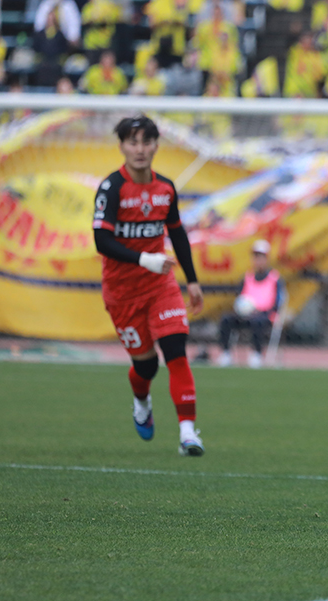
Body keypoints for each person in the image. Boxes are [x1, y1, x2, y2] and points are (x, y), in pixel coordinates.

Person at [92, 116, 205, 456]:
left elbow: (177, 233)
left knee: (176, 351)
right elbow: (101, 241)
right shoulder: (112, 188)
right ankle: (141, 402)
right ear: (122, 146)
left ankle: (188, 433)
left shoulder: (165, 188)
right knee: (146, 366)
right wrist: (144, 259)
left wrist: (193, 280)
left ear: (156, 146)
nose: (140, 149)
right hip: (122, 293)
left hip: (160, 286)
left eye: (146, 142)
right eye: (133, 142)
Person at [216, 239, 285, 369]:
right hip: (246, 315)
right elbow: (239, 298)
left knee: (258, 322)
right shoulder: (247, 277)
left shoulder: (275, 279)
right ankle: (226, 354)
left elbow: (278, 303)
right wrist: (243, 309)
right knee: (226, 319)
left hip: (265, 316)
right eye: (256, 257)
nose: (258, 261)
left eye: (261, 257)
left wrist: (262, 311)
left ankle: (256, 355)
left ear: (267, 259)